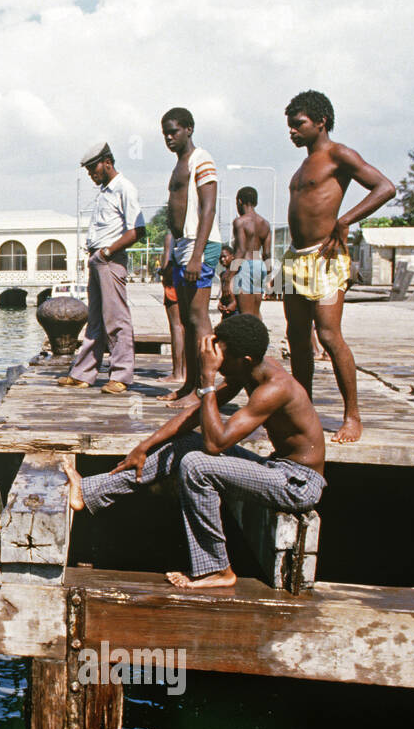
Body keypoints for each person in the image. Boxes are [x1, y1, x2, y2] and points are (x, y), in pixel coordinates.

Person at [63, 313, 326, 589]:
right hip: (277, 468)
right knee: (187, 444)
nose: (218, 364)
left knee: (197, 465)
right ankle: (92, 491)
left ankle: (218, 569)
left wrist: (208, 377)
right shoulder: (250, 368)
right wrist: (144, 446)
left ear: (244, 360)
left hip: (298, 484)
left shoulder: (274, 389)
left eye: (222, 359)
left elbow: (215, 443)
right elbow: (196, 415)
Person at [283, 90, 395, 442]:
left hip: (327, 259)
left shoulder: (338, 154)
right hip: (295, 261)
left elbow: (385, 187)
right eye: (289, 126)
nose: (292, 132)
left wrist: (345, 220)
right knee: (298, 338)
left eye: (298, 124)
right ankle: (304, 411)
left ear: (321, 121)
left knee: (329, 335)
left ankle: (352, 416)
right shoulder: (303, 166)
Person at [57, 141, 147, 394]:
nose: (91, 175)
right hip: (98, 259)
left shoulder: (124, 188)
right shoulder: (105, 191)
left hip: (110, 259)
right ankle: (83, 373)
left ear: (107, 162)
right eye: (87, 171)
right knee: (95, 319)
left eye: (93, 169)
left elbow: (138, 230)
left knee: (116, 319)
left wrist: (108, 252)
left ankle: (121, 375)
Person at [160, 107, 221, 407]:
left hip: (202, 245)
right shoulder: (177, 165)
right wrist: (174, 256)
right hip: (183, 246)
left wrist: (197, 254)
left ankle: (205, 391)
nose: (169, 137)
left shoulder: (201, 159)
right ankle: (188, 385)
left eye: (174, 131)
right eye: (165, 133)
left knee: (198, 318)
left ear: (189, 129)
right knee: (185, 318)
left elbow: (208, 208)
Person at [231, 186, 271, 318]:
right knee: (256, 310)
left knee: (245, 314)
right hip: (259, 265)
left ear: (240, 201)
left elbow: (241, 250)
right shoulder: (265, 224)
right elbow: (267, 253)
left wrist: (229, 274)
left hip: (245, 265)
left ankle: (248, 338)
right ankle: (259, 337)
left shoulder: (240, 222)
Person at [160, 230, 185, 384]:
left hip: (173, 282)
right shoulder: (189, 234)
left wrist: (163, 272)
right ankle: (187, 371)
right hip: (187, 278)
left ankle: (177, 372)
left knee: (176, 326)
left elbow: (167, 262)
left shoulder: (171, 235)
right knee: (187, 327)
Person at [217, 245, 238, 319]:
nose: (222, 259)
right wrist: (220, 303)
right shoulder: (222, 274)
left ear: (232, 256)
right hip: (226, 307)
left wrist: (234, 303)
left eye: (224, 256)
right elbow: (224, 292)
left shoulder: (237, 272)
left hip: (236, 309)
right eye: (220, 258)